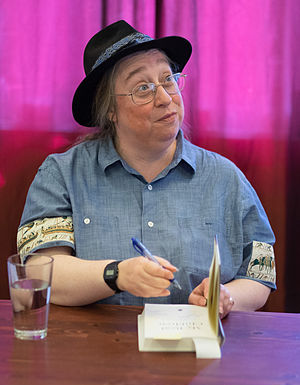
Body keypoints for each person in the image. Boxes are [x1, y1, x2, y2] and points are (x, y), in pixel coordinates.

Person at [17, 20, 276, 318]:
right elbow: (40, 272)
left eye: (168, 80)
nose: (166, 98)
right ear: (110, 110)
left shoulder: (225, 177)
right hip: (94, 354)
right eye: (143, 88)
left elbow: (260, 273)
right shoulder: (61, 174)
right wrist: (116, 274)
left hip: (197, 354)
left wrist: (227, 297)